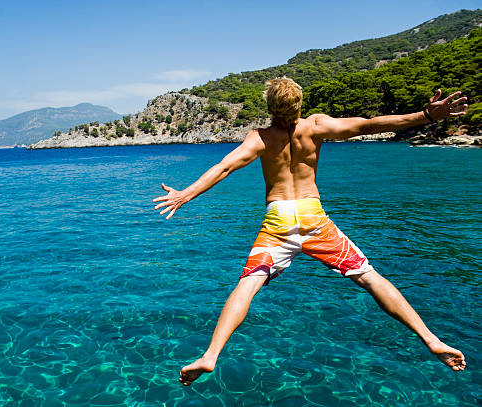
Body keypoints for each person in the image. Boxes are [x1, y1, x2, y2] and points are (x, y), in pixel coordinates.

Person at [152, 77, 468, 386]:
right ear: (299, 104)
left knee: (248, 285)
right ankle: (430, 339)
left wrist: (185, 195)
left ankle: (210, 354)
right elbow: (371, 124)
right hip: (313, 216)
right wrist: (425, 115)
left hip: (279, 219)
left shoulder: (259, 137)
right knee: (368, 277)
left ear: (270, 106)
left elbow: (224, 167)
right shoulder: (315, 126)